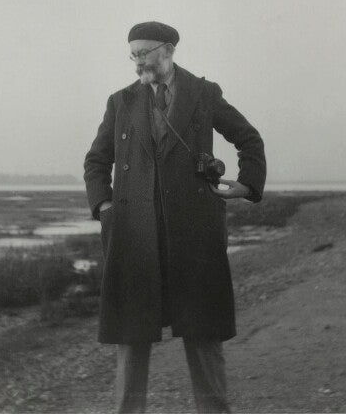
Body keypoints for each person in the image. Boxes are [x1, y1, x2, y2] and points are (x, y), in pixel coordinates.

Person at [83, 21, 266, 414]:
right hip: (134, 236)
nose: (137, 62)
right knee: (131, 339)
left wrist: (247, 184)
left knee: (203, 334)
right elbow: (96, 161)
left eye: (144, 53)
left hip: (194, 232)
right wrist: (105, 207)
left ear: (167, 50)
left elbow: (249, 138)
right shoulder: (120, 101)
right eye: (133, 55)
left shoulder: (203, 93)